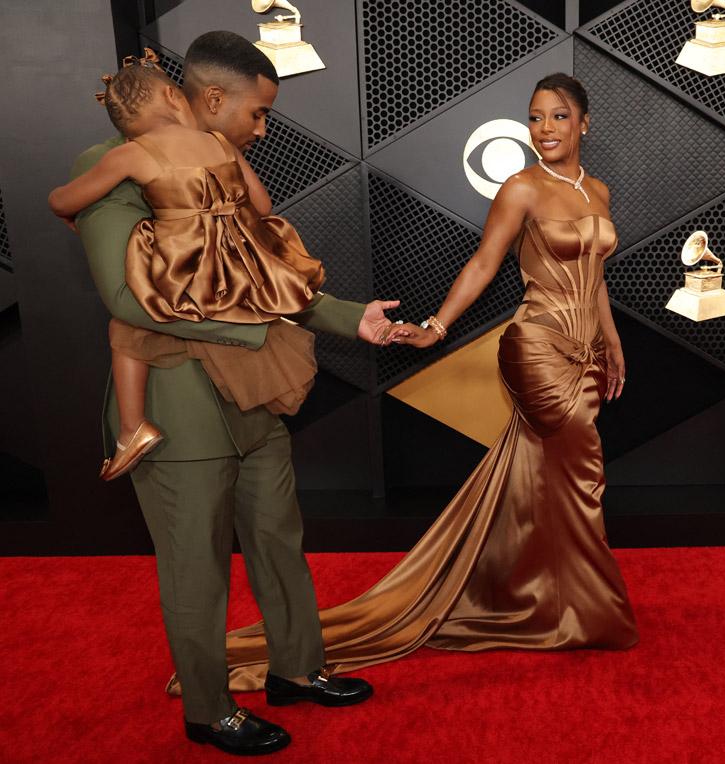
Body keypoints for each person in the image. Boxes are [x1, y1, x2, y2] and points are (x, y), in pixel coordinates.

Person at [207, 72, 638, 692]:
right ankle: (591, 610)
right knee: (583, 470)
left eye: (558, 118)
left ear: (584, 124)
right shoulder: (521, 188)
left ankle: (529, 595)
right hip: (537, 347)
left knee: (542, 480)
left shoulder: (598, 191)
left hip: (586, 353)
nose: (544, 129)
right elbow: (485, 263)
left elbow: (595, 279)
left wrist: (613, 342)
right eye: (535, 117)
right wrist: (435, 326)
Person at [71, 31, 401, 756]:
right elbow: (128, 298)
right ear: (212, 99)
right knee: (196, 563)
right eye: (257, 114)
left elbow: (271, 279)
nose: (260, 129)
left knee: (280, 542)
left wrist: (355, 319)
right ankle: (209, 709)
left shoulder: (227, 170)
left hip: (254, 395)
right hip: (177, 406)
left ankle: (297, 670)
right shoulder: (115, 168)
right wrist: (254, 331)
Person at [50, 49, 332, 481]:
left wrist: (73, 217)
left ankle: (131, 429)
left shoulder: (130, 155)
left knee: (126, 328)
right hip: (238, 266)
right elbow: (261, 205)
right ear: (172, 94)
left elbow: (61, 199)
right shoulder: (219, 142)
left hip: (184, 269)